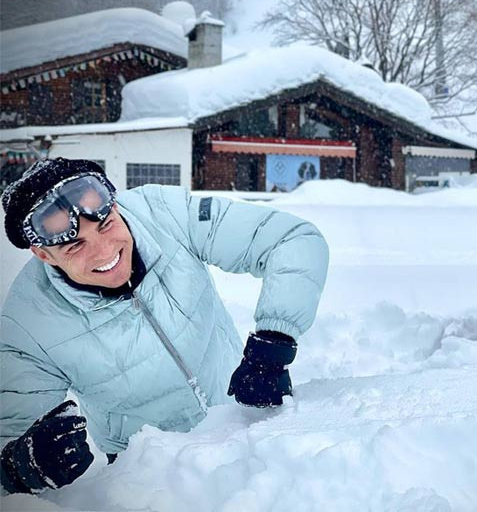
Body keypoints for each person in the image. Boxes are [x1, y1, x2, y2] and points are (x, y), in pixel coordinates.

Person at [0, 158, 329, 494]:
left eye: (105, 225)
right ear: (43, 254)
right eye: (75, 245)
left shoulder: (165, 214)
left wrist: (274, 341)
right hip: (151, 478)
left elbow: (292, 240)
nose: (105, 252)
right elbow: (7, 437)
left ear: (113, 205)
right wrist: (15, 467)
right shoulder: (27, 324)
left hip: (244, 424)